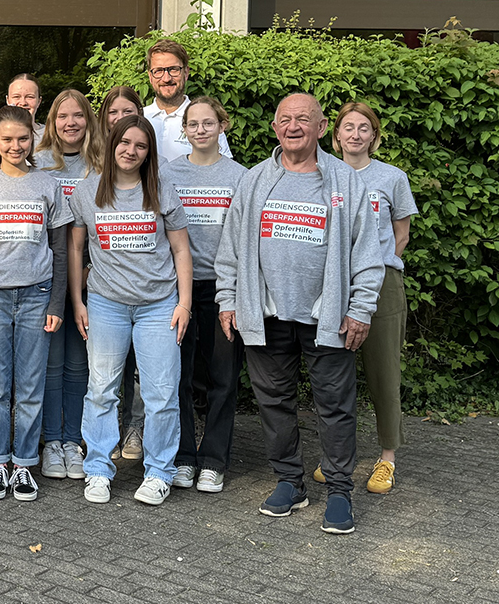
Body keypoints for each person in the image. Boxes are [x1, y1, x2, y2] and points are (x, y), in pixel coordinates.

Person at [215, 92, 384, 535]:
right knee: (273, 403)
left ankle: (340, 490)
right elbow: (230, 249)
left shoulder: (346, 182)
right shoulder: (253, 181)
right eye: (285, 120)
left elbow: (368, 252)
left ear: (322, 127)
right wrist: (228, 299)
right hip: (266, 313)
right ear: (274, 128)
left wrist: (360, 309)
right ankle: (290, 481)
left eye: (303, 120)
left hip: (328, 317)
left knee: (335, 406)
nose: (293, 127)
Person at [69, 115, 192, 506]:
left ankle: (159, 472)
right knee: (102, 389)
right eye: (125, 143)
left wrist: (185, 303)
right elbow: (75, 248)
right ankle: (98, 469)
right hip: (106, 304)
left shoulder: (160, 188)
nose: (131, 151)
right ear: (111, 144)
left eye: (140, 145)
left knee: (160, 394)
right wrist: (77, 301)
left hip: (159, 306)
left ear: (148, 152)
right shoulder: (88, 191)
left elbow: (181, 249)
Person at [0, 106, 71, 502]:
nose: (15, 146)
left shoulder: (48, 185)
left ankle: (24, 464)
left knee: (29, 385)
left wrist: (56, 303)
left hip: (37, 296)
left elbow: (59, 249)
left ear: (33, 140)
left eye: (22, 139)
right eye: (7, 139)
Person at [327, 102, 417, 495]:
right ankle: (336, 456)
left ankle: (387, 458)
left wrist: (379, 264)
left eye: (364, 128)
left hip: (382, 285)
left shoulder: (391, 177)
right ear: (336, 136)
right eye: (348, 127)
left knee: (383, 373)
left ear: (375, 137)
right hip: (333, 285)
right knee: (333, 375)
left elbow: (402, 233)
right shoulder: (323, 174)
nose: (356, 135)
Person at [160, 97, 247, 494]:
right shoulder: (168, 174)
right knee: (176, 375)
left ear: (221, 126)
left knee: (222, 377)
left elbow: (246, 239)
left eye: (207, 123)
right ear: (185, 130)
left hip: (224, 288)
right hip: (177, 288)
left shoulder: (241, 177)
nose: (199, 130)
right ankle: (182, 455)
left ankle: (213, 459)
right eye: (192, 124)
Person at [34, 89, 103, 480]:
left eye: (78, 115)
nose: (71, 122)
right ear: (52, 121)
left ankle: (74, 441)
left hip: (92, 279)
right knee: (49, 364)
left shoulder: (101, 163)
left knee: (80, 366)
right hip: (45, 278)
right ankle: (50, 442)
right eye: (63, 116)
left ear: (88, 120)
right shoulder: (37, 163)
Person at [97, 85, 147, 461]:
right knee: (103, 375)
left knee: (143, 375)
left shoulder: (151, 176)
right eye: (113, 113)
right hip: (102, 286)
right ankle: (101, 438)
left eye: (127, 111)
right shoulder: (91, 165)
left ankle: (136, 430)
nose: (119, 119)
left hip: (147, 292)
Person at [142, 40, 232, 163]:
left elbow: (223, 169)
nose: (166, 78)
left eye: (173, 69)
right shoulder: (139, 117)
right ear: (150, 77)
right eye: (158, 71)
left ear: (186, 72)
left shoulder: (205, 119)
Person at [7, 73, 45, 144]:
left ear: (39, 101)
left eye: (30, 97)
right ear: (8, 100)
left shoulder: (51, 135)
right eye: (16, 97)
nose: (23, 102)